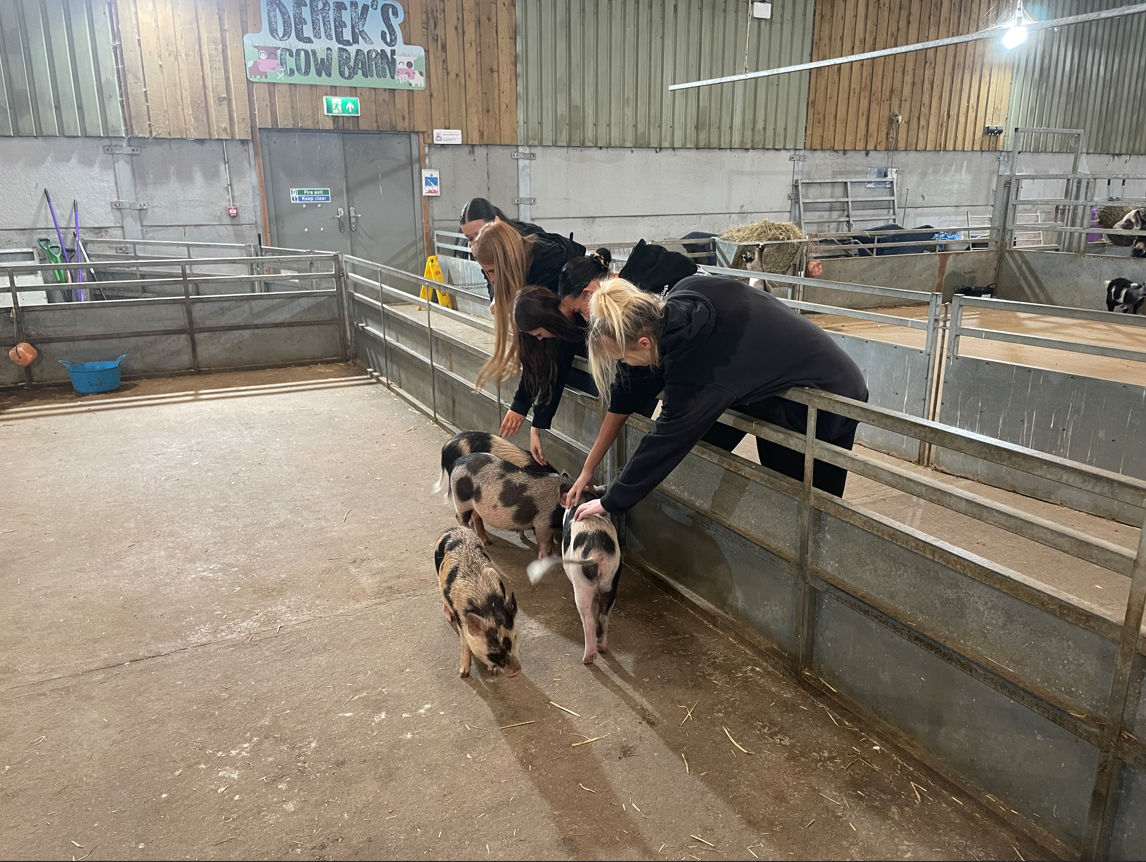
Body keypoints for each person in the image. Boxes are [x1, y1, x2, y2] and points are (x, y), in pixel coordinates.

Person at [570, 275, 869, 522]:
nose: (626, 365)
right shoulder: (687, 290)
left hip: (825, 400)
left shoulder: (700, 371)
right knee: (782, 488)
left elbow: (667, 439)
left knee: (809, 505)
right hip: (790, 384)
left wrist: (612, 502)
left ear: (644, 343)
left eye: (623, 358)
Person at [470, 222, 588, 436]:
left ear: (507, 262)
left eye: (493, 271)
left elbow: (551, 345)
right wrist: (496, 294)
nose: (492, 278)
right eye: (486, 272)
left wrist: (527, 408)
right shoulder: (515, 253)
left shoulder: (549, 270)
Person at [460, 197, 585, 299]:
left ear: (496, 222)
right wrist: (496, 299)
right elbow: (493, 281)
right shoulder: (486, 251)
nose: (476, 243)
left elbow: (575, 252)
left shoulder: (532, 245)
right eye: (470, 238)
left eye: (481, 233)